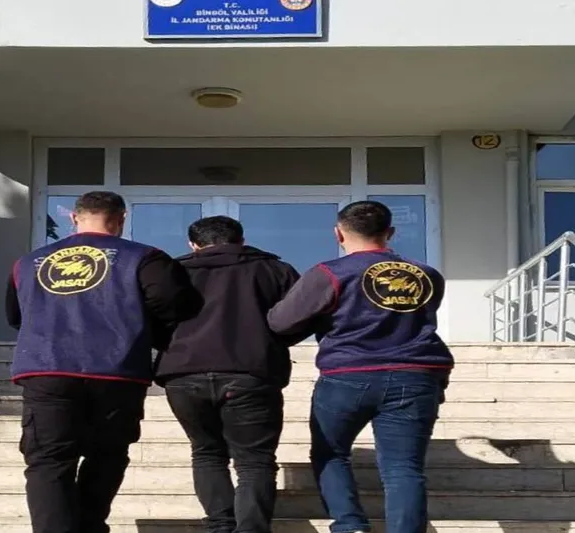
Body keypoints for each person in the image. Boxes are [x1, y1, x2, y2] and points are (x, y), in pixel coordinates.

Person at [5, 191, 202, 533]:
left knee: (48, 460)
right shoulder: (145, 258)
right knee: (108, 454)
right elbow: (176, 306)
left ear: (74, 218)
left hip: (46, 368)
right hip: (116, 369)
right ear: (121, 218)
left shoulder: (28, 263)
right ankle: (89, 524)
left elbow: (15, 315)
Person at [267, 201, 453, 533]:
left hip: (348, 373)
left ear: (338, 234)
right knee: (403, 468)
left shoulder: (329, 273)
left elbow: (281, 322)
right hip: (416, 373)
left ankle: (350, 525)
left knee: (330, 453)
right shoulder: (427, 274)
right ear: (390, 232)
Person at [154, 216, 302, 533]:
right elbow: (300, 317)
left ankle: (220, 526)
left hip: (184, 373)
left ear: (193, 244)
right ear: (241, 240)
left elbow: (150, 317)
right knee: (254, 461)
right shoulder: (275, 270)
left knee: (207, 453)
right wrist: (271, 343)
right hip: (251, 373)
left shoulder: (172, 272)